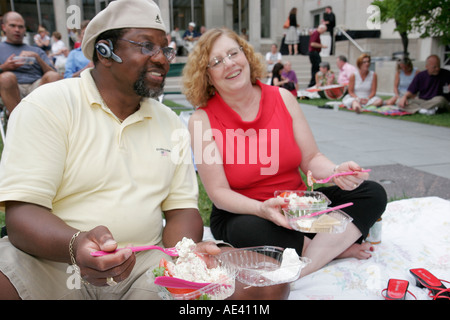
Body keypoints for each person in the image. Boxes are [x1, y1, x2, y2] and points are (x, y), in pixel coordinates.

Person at [0, 0, 247, 300]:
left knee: (264, 284)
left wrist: (181, 259)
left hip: (143, 263)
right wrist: (77, 245)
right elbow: (22, 214)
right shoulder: (48, 105)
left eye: (165, 49)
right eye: (146, 46)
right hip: (49, 262)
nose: (161, 59)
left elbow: (182, 209)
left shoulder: (170, 122)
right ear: (104, 51)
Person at [182, 27, 387, 282]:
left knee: (372, 193)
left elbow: (311, 158)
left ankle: (304, 264)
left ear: (246, 56)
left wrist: (336, 172)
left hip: (299, 207)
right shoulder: (201, 120)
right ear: (208, 76)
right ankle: (332, 247)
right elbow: (219, 193)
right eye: (217, 62)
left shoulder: (282, 97)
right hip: (247, 212)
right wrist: (262, 209)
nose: (229, 64)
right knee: (260, 231)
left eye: (233, 53)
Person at [0, 11, 60, 114]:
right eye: (12, 26)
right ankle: (18, 120)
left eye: (21, 27)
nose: (17, 30)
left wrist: (37, 58)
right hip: (12, 88)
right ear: (4, 27)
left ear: (25, 30)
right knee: (6, 77)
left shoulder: (36, 51)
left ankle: (48, 118)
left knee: (53, 76)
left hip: (37, 86)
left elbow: (55, 74)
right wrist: (4, 67)